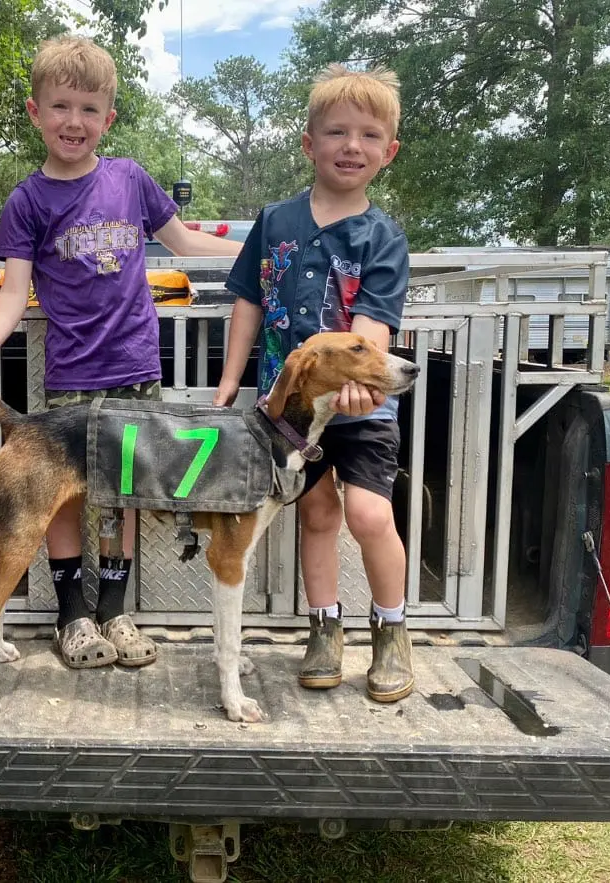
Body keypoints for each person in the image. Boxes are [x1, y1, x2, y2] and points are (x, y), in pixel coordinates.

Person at [0, 35, 242, 670]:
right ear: (35, 112)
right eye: (60, 107)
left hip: (135, 369)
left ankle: (115, 608)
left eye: (87, 109)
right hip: (72, 374)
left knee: (124, 492)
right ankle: (71, 615)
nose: (72, 122)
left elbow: (186, 243)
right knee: (66, 495)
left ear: (108, 117)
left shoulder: (130, 179)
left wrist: (263, 249)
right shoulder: (27, 201)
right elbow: (12, 293)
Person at [215, 64, 415, 702]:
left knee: (367, 512)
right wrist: (228, 383)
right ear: (308, 143)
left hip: (361, 407)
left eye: (368, 134)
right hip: (287, 415)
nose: (351, 145)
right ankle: (323, 629)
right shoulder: (274, 221)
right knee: (320, 513)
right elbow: (247, 301)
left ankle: (391, 629)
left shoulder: (383, 236)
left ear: (389, 151)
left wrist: (365, 383)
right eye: (336, 131)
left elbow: (372, 327)